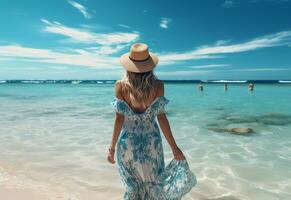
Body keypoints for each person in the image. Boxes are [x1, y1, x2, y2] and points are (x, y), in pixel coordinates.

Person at [107, 43, 196, 199]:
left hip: (127, 144)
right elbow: (161, 117)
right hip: (151, 144)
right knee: (154, 186)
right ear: (150, 66)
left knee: (133, 188)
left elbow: (119, 118)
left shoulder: (120, 86)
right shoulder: (158, 85)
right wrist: (175, 149)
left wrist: (112, 148)